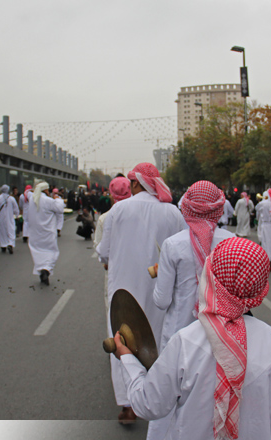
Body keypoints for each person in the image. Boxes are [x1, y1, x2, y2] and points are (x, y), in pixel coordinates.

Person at [113, 237, 271, 440]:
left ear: (211, 279)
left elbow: (148, 404)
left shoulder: (187, 341)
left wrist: (128, 359)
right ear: (260, 288)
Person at [96, 162, 186, 424]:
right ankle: (160, 398)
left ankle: (128, 405)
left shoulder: (118, 210)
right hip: (161, 290)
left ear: (135, 183)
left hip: (123, 290)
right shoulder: (173, 212)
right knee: (158, 339)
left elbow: (103, 251)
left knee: (123, 338)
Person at [154, 180, 233, 351]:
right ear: (218, 208)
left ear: (187, 208)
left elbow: (161, 301)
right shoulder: (232, 242)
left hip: (179, 335)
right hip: (223, 335)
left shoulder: (173, 244)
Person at [28, 181, 64, 285]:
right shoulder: (47, 200)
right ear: (46, 190)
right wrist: (58, 200)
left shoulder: (32, 199)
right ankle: (46, 269)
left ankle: (41, 269)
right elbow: (60, 209)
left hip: (35, 234)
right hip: (47, 233)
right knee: (51, 252)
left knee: (37, 252)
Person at [0, 185, 20, 254]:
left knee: (2, 231)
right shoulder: (11, 198)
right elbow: (16, 208)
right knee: (11, 231)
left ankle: (3, 245)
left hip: (1, 218)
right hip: (10, 217)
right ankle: (10, 244)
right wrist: (17, 215)